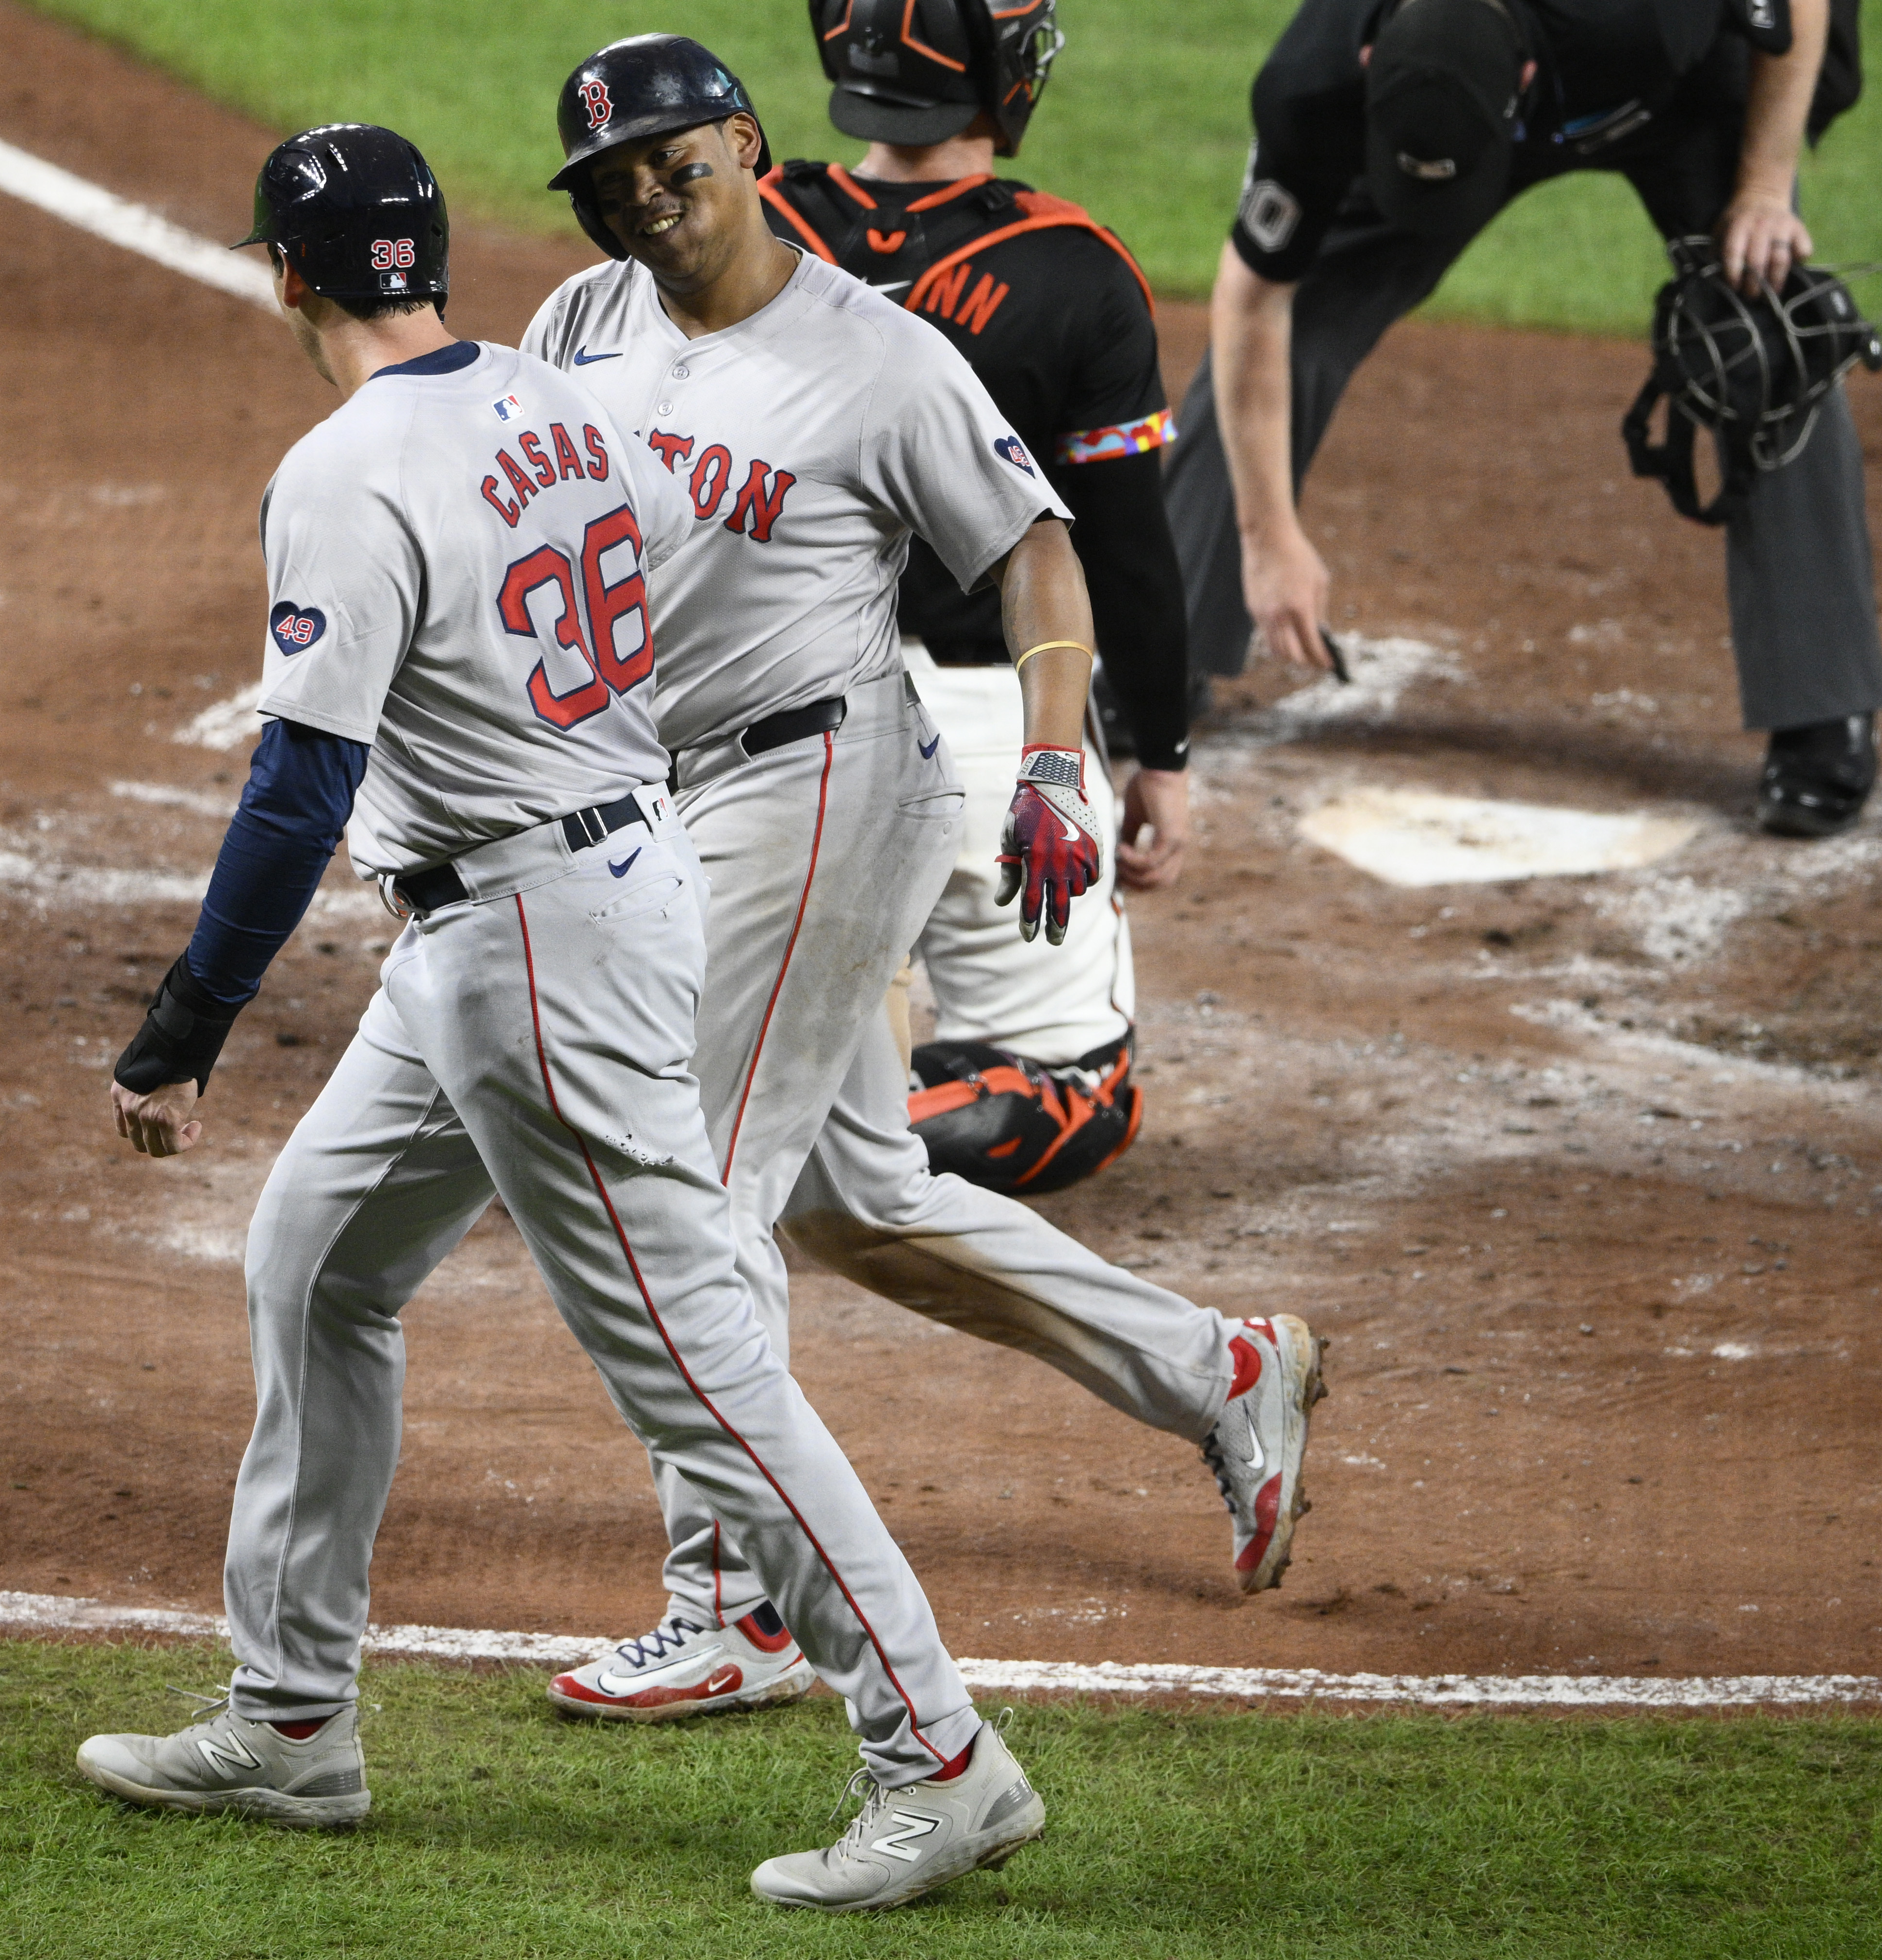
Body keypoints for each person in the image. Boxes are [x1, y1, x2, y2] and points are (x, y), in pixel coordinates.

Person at [74, 123, 1046, 1913]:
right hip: (569, 891)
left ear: (285, 274)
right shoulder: (554, 394)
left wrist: (182, 1027)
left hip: (532, 945)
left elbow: (298, 791)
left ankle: (940, 1755)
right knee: (316, 1256)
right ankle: (290, 1721)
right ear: (428, 255)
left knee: (692, 1370)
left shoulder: (344, 469)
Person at [522, 36, 1326, 1740]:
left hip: (819, 790)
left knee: (688, 1184)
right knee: (849, 1202)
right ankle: (1221, 1370)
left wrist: (1059, 761)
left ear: (748, 147)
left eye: (676, 168)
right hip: (674, 794)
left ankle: (727, 1602)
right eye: (610, 189)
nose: (649, 209)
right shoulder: (580, 325)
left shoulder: (873, 360)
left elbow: (1041, 543)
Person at [1162, 0, 1882, 837]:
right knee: (1311, 302)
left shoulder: (1644, 18)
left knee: (1761, 327)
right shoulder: (1312, 80)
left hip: (1678, 86)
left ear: (1530, 84)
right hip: (1447, 101)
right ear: (1367, 66)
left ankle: (1824, 714)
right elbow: (1255, 302)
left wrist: (1764, 187)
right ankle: (1161, 642)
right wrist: (1266, 537)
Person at [760, 0, 1189, 1196]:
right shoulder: (1073, 270)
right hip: (985, 740)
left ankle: (693, 1089)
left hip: (732, 732)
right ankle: (853, 1139)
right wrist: (1162, 752)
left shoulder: (735, 233)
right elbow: (1129, 551)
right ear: (995, 72)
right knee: (1074, 1093)